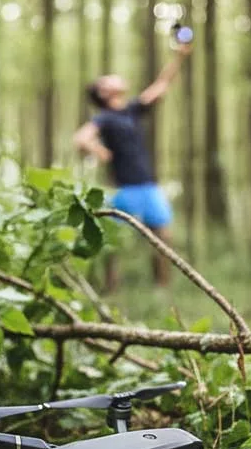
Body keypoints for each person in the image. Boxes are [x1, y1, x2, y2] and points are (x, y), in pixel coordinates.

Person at [73, 41, 192, 290]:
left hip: (147, 185)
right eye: (108, 79)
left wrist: (178, 57)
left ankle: (162, 289)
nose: (115, 78)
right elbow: (81, 138)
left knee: (164, 237)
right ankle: (111, 289)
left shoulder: (131, 111)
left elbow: (160, 86)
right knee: (112, 242)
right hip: (123, 189)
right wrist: (100, 151)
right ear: (104, 93)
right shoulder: (105, 118)